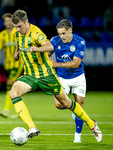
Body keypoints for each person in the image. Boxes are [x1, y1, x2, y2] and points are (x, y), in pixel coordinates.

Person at [9, 9, 102, 142]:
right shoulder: (16, 33)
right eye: (15, 27)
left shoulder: (37, 34)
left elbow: (49, 46)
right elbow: (18, 40)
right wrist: (16, 52)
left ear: (26, 22)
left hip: (46, 74)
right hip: (30, 74)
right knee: (13, 93)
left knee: (66, 103)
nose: (17, 29)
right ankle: (32, 127)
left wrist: (37, 49)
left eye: (19, 26)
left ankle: (92, 124)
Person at [49, 19, 86, 143]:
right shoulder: (55, 41)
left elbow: (76, 63)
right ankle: (73, 108)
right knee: (59, 104)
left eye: (64, 33)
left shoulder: (80, 42)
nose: (61, 36)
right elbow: (46, 53)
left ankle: (77, 136)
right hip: (62, 78)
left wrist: (56, 64)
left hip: (78, 77)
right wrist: (47, 58)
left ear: (70, 30)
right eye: (59, 33)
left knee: (80, 106)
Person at [0, 13, 23, 118]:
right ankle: (20, 110)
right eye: (6, 21)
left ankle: (6, 110)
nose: (7, 23)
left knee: (9, 84)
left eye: (9, 20)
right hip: (7, 65)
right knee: (15, 88)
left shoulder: (19, 33)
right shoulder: (2, 35)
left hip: (18, 64)